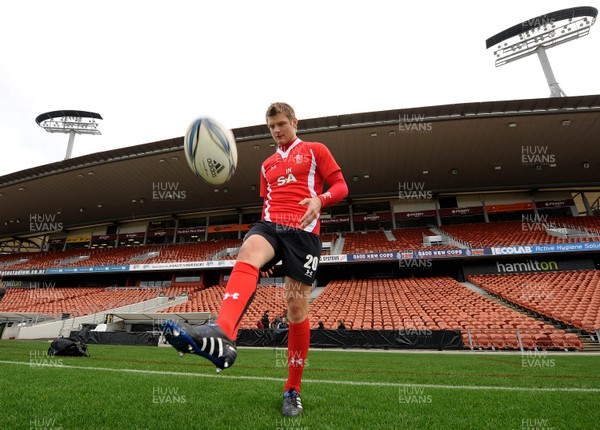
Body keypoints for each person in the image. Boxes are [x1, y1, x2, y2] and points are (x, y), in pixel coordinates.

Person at [162, 102, 348, 417]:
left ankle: (293, 389)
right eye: (271, 126)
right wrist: (267, 251)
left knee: (296, 309)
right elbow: (266, 205)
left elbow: (341, 186)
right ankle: (222, 334)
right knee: (247, 252)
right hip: (271, 226)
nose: (276, 130)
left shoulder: (316, 150)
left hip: (303, 235)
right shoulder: (266, 165)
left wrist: (320, 198)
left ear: (294, 123)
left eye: (281, 124)